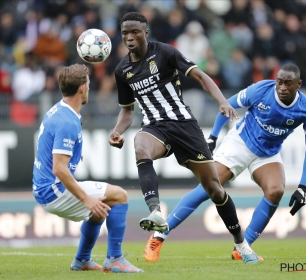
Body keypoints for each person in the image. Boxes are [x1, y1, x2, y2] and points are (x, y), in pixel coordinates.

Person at [109, 12, 259, 264]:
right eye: (125, 33)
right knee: (140, 145)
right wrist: (117, 130)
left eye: (135, 32)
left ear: (145, 33)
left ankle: (241, 244)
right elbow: (127, 110)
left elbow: (200, 75)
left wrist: (222, 101)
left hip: (185, 127)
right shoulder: (122, 70)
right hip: (155, 127)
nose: (129, 37)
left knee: (215, 189)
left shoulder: (166, 52)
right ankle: (156, 212)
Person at [143, 63, 306, 262]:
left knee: (276, 190)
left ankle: (243, 249)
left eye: (288, 83)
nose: (282, 87)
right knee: (208, 188)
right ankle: (158, 237)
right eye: (280, 82)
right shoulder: (260, 90)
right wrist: (213, 137)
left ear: (299, 85)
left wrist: (303, 187)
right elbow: (227, 105)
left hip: (267, 153)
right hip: (240, 142)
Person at [32, 64, 143, 273]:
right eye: (89, 84)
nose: (90, 88)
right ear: (82, 88)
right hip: (53, 190)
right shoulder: (68, 121)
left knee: (100, 210)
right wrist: (86, 198)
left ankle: (82, 260)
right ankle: (115, 259)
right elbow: (59, 168)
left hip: (44, 188)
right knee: (119, 196)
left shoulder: (59, 110)